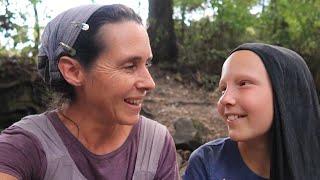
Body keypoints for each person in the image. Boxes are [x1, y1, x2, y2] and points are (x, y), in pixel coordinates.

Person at [0, 4, 179, 180]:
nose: (150, 83)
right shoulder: (25, 147)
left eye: (146, 64)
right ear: (73, 71)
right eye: (130, 66)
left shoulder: (155, 144)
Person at [183, 43, 320, 179]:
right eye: (223, 89)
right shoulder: (207, 164)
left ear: (286, 94)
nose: (224, 99)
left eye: (243, 83)